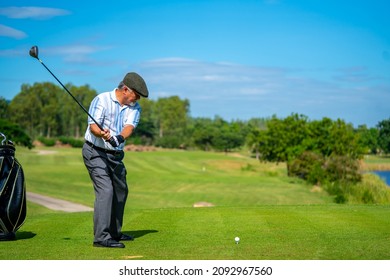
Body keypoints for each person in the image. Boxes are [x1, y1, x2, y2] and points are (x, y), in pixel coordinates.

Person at [82, 72, 149, 248]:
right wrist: (102, 133)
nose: (138, 99)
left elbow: (129, 127)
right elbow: (93, 126)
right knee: (106, 191)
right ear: (126, 89)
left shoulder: (134, 108)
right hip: (95, 151)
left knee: (121, 191)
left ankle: (114, 233)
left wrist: (118, 138)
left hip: (115, 154)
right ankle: (101, 238)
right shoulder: (101, 100)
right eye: (137, 95)